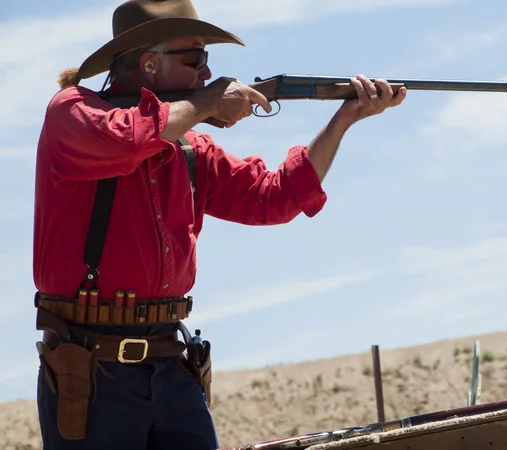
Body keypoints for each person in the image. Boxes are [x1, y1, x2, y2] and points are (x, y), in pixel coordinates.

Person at [32, 0, 407, 449]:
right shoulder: (72, 112)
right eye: (195, 58)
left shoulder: (192, 149)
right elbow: (131, 138)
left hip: (172, 365)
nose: (207, 73)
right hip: (91, 371)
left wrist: (343, 120)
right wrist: (207, 103)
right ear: (149, 64)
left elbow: (276, 198)